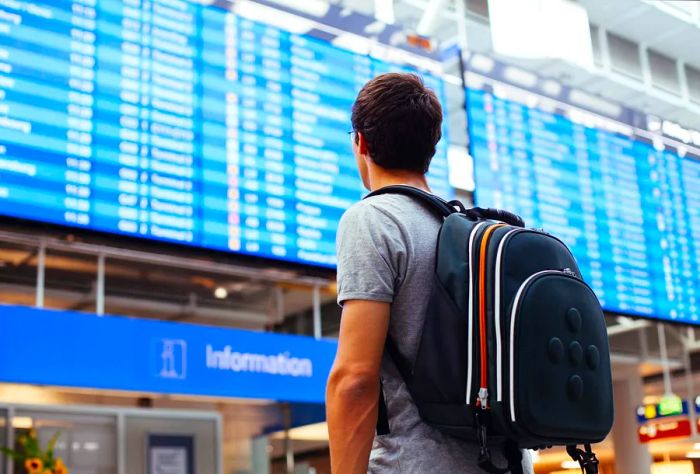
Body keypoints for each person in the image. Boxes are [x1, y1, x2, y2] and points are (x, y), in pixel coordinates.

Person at [326, 73, 534, 473]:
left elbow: (354, 379)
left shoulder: (373, 219)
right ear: (432, 148)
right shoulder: (475, 233)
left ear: (361, 143)